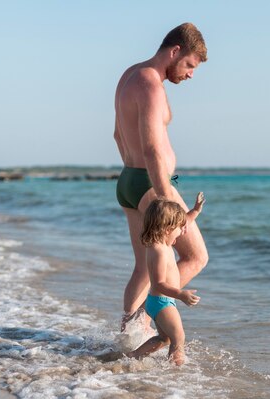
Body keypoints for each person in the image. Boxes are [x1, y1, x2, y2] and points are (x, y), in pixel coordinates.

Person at [114, 23, 208, 331]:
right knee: (196, 257)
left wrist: (135, 172)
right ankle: (142, 321)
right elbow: (153, 148)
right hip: (152, 184)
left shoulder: (131, 74)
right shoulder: (151, 84)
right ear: (175, 51)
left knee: (144, 266)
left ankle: (128, 332)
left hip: (130, 180)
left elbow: (117, 135)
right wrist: (166, 197)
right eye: (190, 65)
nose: (191, 74)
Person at [127, 192, 205, 366]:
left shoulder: (162, 243)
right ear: (166, 228)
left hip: (159, 302)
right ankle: (176, 372)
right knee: (179, 339)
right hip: (162, 301)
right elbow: (159, 283)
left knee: (164, 339)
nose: (182, 231)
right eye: (178, 228)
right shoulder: (159, 252)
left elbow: (186, 222)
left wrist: (195, 211)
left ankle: (133, 357)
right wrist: (181, 294)